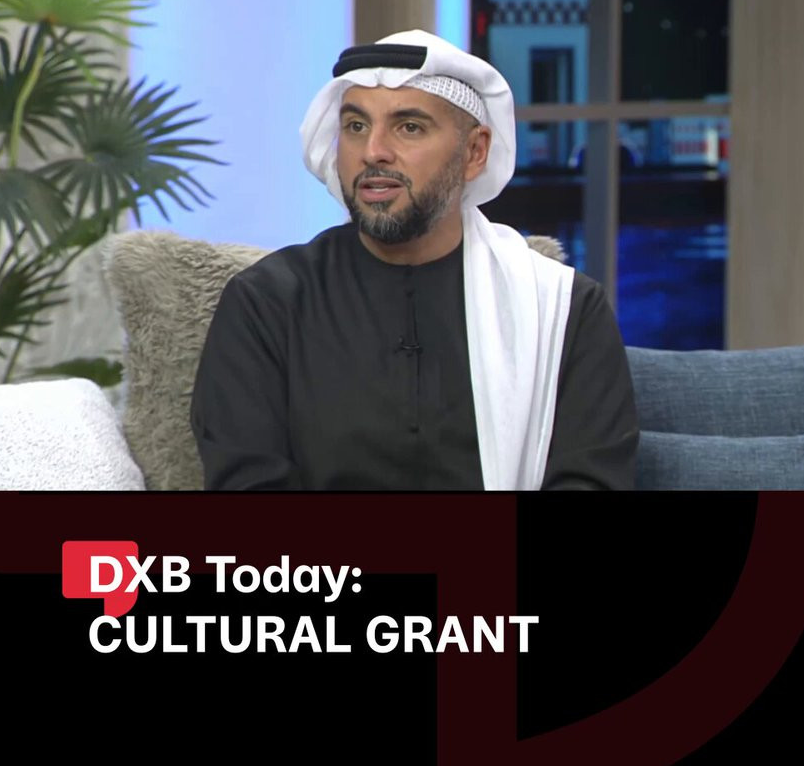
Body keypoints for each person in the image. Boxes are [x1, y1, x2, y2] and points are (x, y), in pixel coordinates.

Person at [191, 29, 638, 491]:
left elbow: (592, 481)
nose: (373, 152)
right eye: (356, 126)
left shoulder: (562, 310)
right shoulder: (266, 304)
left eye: (409, 127)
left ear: (474, 152)